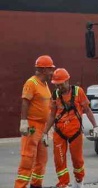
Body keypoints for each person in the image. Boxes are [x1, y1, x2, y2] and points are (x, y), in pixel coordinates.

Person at [42, 68, 98, 188]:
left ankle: (79, 181)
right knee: (59, 161)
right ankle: (63, 184)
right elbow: (52, 115)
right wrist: (45, 133)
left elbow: (87, 110)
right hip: (59, 132)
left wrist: (95, 126)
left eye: (61, 84)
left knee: (77, 160)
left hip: (75, 133)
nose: (59, 87)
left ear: (67, 81)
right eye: (57, 85)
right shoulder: (55, 95)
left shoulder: (78, 92)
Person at [15, 55, 55, 188]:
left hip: (43, 128)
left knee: (41, 160)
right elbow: (25, 102)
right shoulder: (31, 83)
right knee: (28, 159)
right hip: (32, 126)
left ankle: (36, 185)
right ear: (43, 70)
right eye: (50, 69)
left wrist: (48, 129)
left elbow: (47, 107)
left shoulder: (45, 85)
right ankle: (20, 186)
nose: (52, 73)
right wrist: (24, 121)